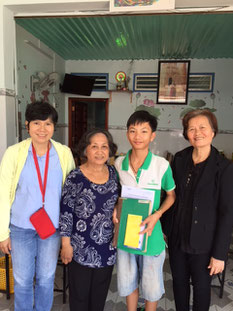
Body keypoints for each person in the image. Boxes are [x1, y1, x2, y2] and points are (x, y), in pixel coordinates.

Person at [0, 101, 75, 311]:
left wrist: (67, 235)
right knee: (23, 281)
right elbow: (3, 194)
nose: (42, 129)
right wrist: (2, 233)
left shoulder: (64, 153)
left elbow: (69, 196)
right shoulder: (14, 153)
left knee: (46, 278)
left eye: (48, 124)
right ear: (27, 125)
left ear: (54, 127)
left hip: (51, 229)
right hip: (20, 228)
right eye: (36, 123)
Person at [163, 109, 233, 311]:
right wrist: (166, 228)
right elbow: (170, 195)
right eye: (191, 128)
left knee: (202, 289)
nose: (197, 132)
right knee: (179, 285)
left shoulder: (224, 167)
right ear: (186, 133)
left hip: (204, 244)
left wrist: (220, 254)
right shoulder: (180, 158)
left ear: (213, 132)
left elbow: (227, 212)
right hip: (177, 238)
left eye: (203, 127)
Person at [114, 110, 176, 311]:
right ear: (127, 134)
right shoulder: (118, 164)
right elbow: (116, 194)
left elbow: (171, 195)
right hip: (126, 234)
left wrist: (157, 214)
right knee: (128, 282)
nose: (137, 136)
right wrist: (116, 209)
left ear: (152, 135)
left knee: (151, 287)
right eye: (133, 131)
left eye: (143, 131)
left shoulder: (161, 165)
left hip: (151, 235)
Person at [59, 128, 120, 311]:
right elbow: (66, 212)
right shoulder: (75, 177)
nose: (100, 151)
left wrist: (118, 208)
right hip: (80, 249)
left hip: (106, 248)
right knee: (79, 298)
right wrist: (66, 244)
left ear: (110, 150)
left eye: (104, 147)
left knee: (99, 298)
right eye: (94, 146)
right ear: (85, 150)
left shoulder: (113, 174)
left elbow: (120, 201)